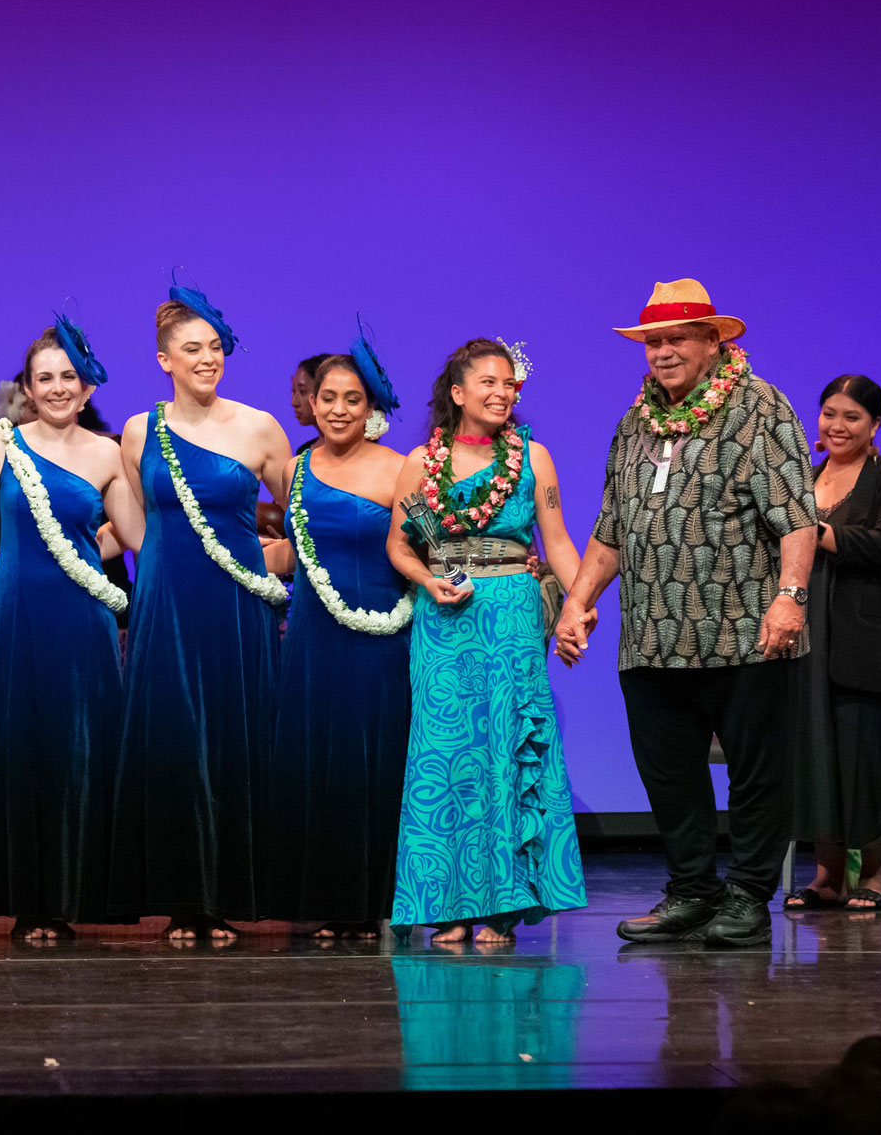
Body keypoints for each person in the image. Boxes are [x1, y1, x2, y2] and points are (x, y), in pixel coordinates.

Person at [558, 280, 818, 949]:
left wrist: (790, 597)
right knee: (669, 770)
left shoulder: (760, 407)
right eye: (653, 341)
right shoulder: (634, 421)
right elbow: (612, 527)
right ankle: (692, 888)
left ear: (714, 341)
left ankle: (750, 893)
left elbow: (796, 516)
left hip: (744, 628)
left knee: (758, 771)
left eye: (678, 338)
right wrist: (578, 601)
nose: (663, 351)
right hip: (651, 635)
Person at [386, 337, 587, 944]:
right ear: (458, 393)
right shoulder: (422, 461)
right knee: (444, 754)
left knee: (505, 747)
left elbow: (556, 540)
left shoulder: (532, 458)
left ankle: (501, 904)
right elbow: (400, 545)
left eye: (510, 385)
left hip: (510, 614)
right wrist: (428, 579)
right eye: (489, 383)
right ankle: (446, 905)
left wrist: (579, 606)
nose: (502, 394)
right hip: (444, 617)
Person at [108, 285, 292, 941]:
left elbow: (308, 513)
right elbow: (135, 524)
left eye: (215, 346)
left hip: (235, 605)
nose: (208, 358)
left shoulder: (260, 427)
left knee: (231, 735)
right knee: (175, 742)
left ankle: (229, 894)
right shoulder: (138, 430)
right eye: (193, 349)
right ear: (165, 360)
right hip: (167, 605)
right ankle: (185, 898)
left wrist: (277, 559)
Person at [0, 315, 141, 941]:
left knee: (77, 747)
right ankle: (29, 903)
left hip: (81, 618)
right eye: (46, 378)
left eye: (69, 377)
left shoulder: (109, 453)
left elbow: (136, 534)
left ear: (86, 388)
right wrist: (8, 574)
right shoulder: (0, 446)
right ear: (28, 389)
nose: (59, 387)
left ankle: (73, 896)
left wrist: (88, 551)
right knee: (22, 748)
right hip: (16, 616)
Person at [263, 334, 411, 936]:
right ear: (313, 402)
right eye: (328, 397)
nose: (340, 409)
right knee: (315, 761)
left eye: (353, 398)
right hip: (314, 638)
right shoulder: (296, 470)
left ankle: (373, 903)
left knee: (371, 762)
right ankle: (323, 902)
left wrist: (475, 582)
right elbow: (294, 556)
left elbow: (432, 548)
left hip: (379, 639)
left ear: (369, 406)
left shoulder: (402, 469)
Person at [785, 375, 881, 913]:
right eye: (829, 414)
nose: (837, 426)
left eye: (852, 417)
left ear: (875, 425)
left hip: (866, 636)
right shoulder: (803, 476)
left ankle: (876, 877)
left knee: (866, 755)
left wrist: (812, 531)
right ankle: (826, 877)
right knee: (815, 752)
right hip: (807, 630)